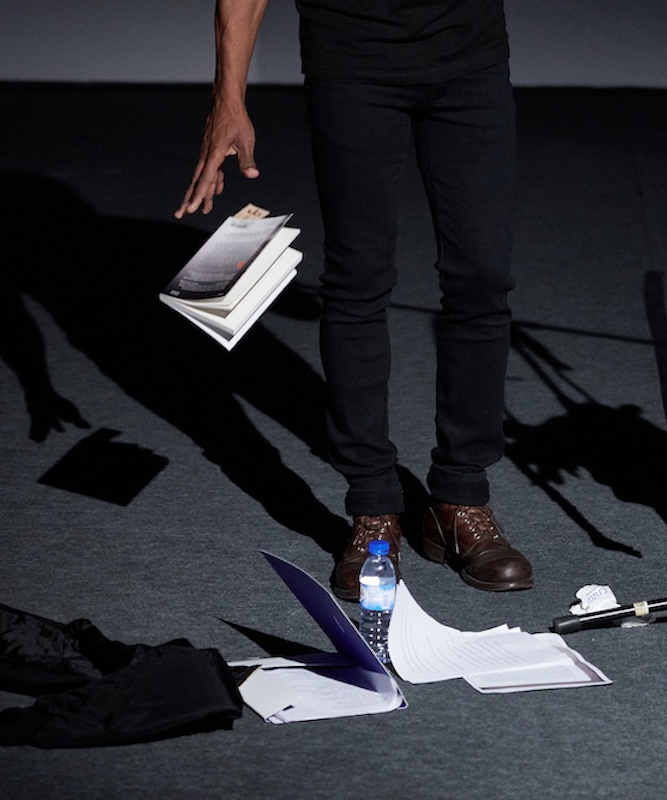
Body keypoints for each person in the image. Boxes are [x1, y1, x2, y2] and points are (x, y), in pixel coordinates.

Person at [176, 0, 533, 601]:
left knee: (482, 280)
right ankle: (373, 506)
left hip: (469, 58)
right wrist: (228, 98)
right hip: (353, 63)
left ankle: (459, 499)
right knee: (357, 281)